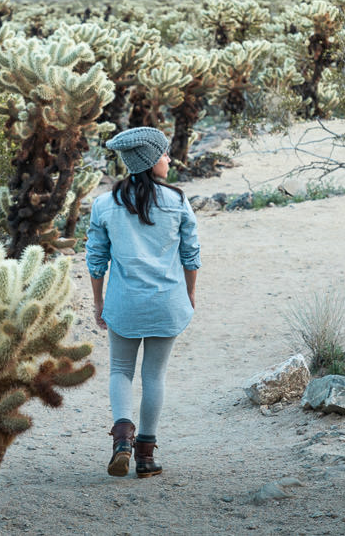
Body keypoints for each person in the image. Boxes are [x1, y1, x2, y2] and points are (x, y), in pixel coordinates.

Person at [85, 126, 201, 478]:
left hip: (124, 303)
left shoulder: (105, 204)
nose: (169, 158)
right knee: (154, 375)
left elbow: (95, 259)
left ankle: (122, 438)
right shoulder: (178, 201)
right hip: (166, 302)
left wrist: (98, 302)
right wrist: (190, 293)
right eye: (164, 153)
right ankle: (146, 458)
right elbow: (191, 256)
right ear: (151, 160)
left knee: (121, 370)